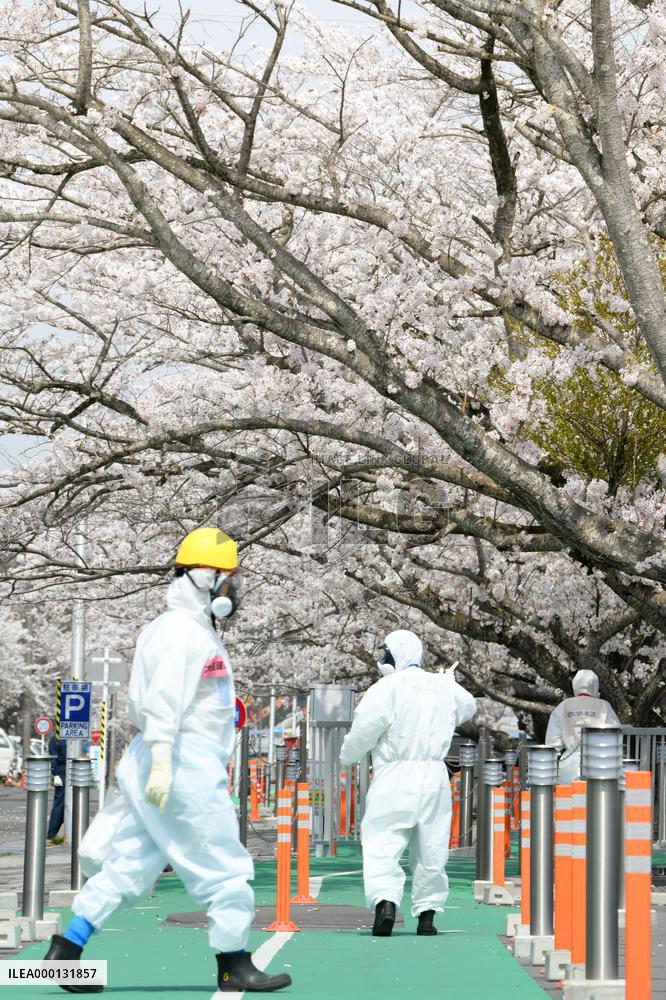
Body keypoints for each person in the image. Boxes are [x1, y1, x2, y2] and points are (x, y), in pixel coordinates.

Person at [44, 527, 291, 994]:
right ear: (202, 577)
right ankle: (234, 962)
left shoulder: (187, 628)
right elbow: (162, 700)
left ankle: (66, 950)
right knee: (226, 866)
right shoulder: (181, 632)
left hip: (165, 759)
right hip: (180, 762)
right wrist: (163, 760)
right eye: (226, 576)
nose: (232, 587)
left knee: (131, 862)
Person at [340, 629, 476, 937]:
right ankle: (427, 916)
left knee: (383, 842)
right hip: (434, 775)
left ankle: (386, 904)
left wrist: (347, 755)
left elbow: (365, 729)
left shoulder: (386, 687)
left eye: (384, 654)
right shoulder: (441, 685)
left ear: (394, 654)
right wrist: (446, 685)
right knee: (431, 845)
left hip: (394, 775)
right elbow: (468, 706)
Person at [546, 669, 620, 784]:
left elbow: (552, 742)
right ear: (595, 686)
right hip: (598, 763)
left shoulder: (563, 706)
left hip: (568, 765)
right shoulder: (604, 706)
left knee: (568, 799)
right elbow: (616, 735)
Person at [46, 736, 67, 843]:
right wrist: (55, 774)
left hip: (66, 771)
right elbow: (53, 757)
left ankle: (56, 831)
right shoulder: (57, 738)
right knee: (60, 803)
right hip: (62, 772)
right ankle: (53, 831)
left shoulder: (64, 737)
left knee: (63, 803)